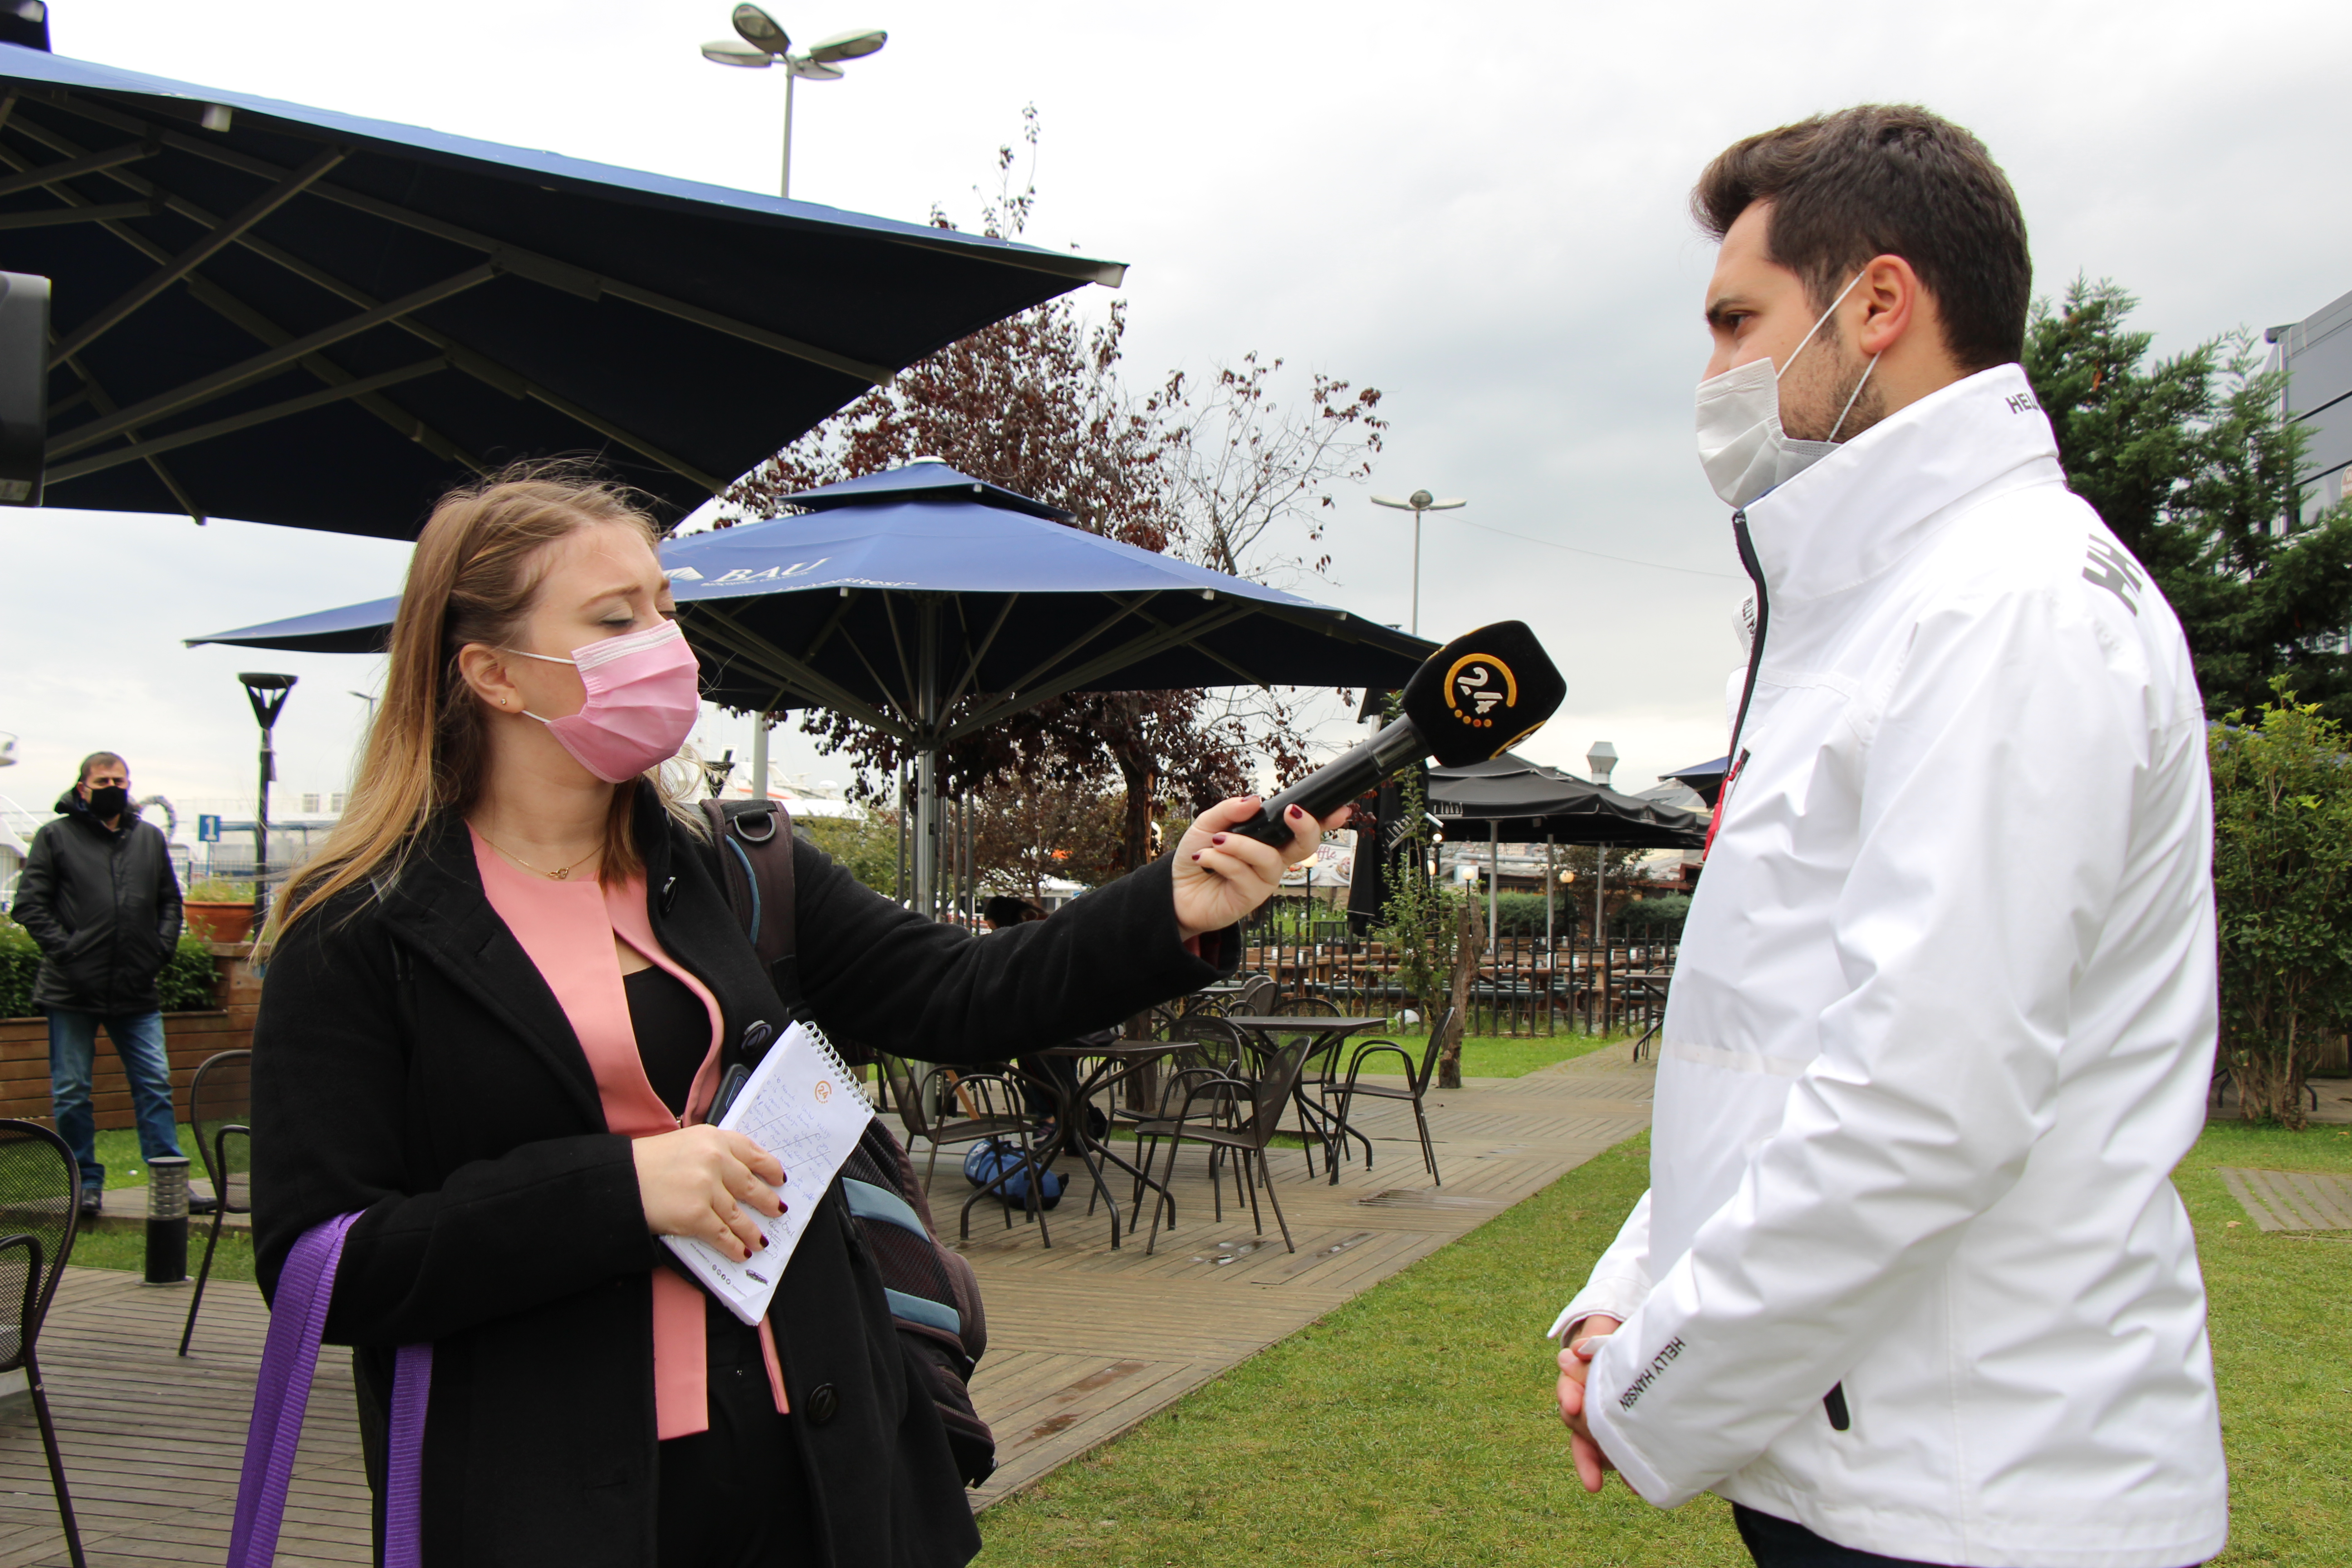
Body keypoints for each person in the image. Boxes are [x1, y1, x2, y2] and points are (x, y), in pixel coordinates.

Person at [250, 466, 1341, 1568]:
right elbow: (325, 1267)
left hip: (815, 1461)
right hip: (549, 1496)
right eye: (615, 618)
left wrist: (1169, 902)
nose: (664, 645)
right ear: (491, 671)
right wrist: (616, 1189)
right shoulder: (358, 930)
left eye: (665, 608)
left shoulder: (733, 866)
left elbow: (964, 993)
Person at [1549, 106, 2226, 1568]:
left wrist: (1654, 1384)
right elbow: (1776, 1043)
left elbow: (1921, 1098)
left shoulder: (2012, 609)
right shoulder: (1882, 613)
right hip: (1863, 1462)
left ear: (1878, 303)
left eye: (1739, 321)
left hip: (1988, 1492)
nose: (1716, 374)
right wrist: (1633, 1290)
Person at [13, 751, 191, 1216]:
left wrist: (161, 949)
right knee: (71, 1090)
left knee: (154, 1082)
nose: (113, 785)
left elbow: (170, 901)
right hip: (71, 990)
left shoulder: (149, 839)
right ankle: (84, 1182)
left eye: (120, 779)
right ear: (83, 786)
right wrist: (68, 951)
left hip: (136, 989)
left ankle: (169, 1179)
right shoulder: (56, 837)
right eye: (103, 778)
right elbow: (29, 904)